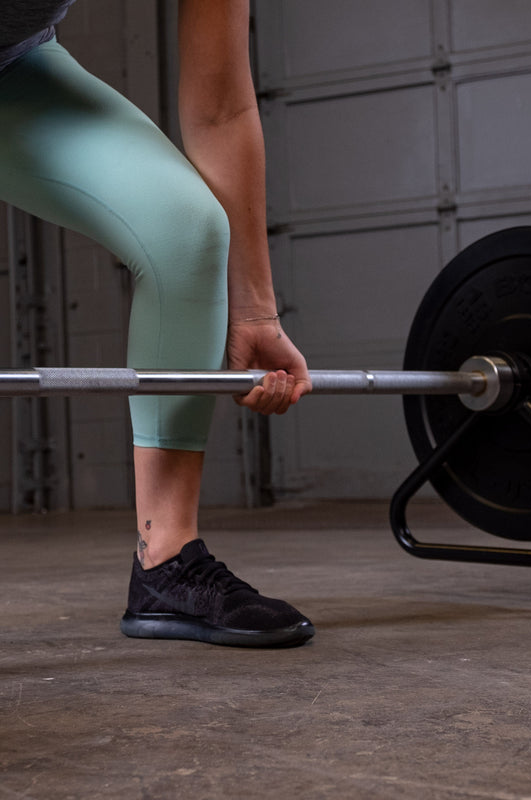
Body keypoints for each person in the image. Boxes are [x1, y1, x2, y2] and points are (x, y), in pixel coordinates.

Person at [0, 1, 315, 647]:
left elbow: (221, 109)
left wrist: (254, 310)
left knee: (184, 227)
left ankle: (165, 561)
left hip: (13, 66)